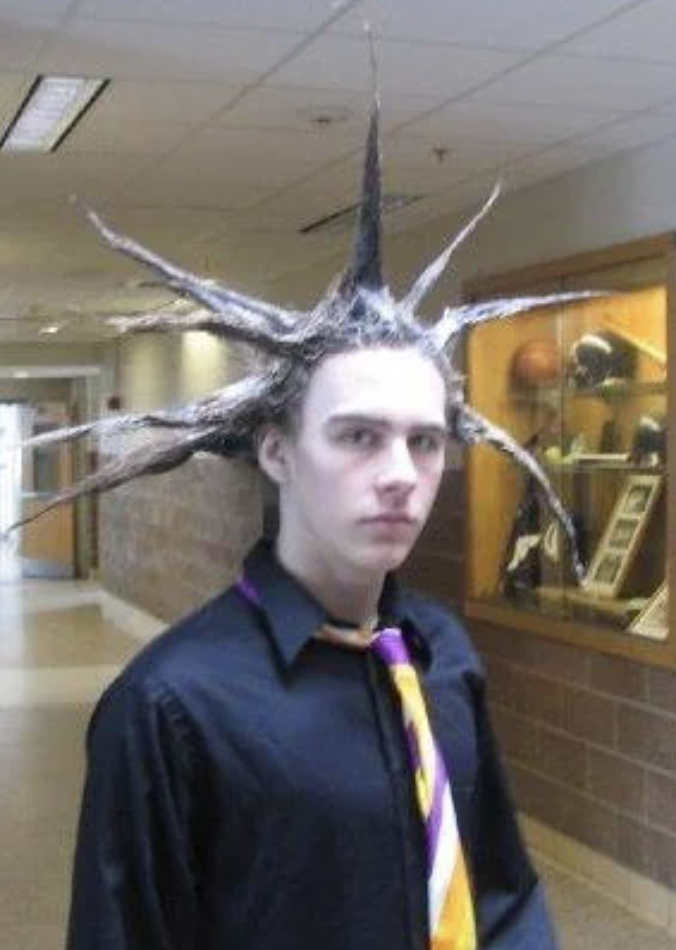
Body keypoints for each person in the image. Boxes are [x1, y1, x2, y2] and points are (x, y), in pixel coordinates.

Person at [44, 99, 578, 949]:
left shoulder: (442, 656)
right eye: (358, 436)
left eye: (425, 442)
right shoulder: (170, 706)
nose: (400, 474)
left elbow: (503, 890)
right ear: (277, 452)